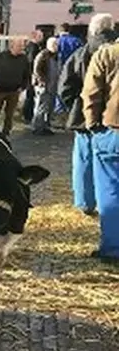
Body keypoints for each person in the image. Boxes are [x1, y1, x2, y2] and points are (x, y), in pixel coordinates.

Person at [59, 13, 115, 217]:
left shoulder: (81, 54)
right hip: (112, 118)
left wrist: (75, 107)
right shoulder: (115, 52)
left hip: (84, 115)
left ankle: (84, 202)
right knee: (109, 165)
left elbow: (65, 87)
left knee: (84, 160)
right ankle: (106, 203)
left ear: (92, 30)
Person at [80, 40, 119, 263]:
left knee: (111, 191)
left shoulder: (107, 54)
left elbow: (91, 93)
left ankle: (113, 249)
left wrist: (93, 125)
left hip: (113, 131)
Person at [0, 37, 30, 136]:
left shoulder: (24, 59)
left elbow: (27, 74)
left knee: (10, 113)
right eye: (19, 46)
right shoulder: (1, 56)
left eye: (22, 46)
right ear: (12, 46)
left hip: (15, 90)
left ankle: (6, 131)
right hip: (0, 89)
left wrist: (22, 87)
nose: (21, 48)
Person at [31, 37, 59, 136]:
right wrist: (41, 81)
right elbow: (36, 69)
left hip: (52, 84)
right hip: (43, 85)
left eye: (57, 44)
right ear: (49, 45)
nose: (56, 47)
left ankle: (46, 126)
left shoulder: (55, 56)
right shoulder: (43, 55)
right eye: (54, 45)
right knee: (41, 106)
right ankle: (37, 127)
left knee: (49, 107)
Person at [23, 29, 45, 124]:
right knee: (30, 95)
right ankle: (28, 116)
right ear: (36, 37)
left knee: (30, 95)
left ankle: (28, 115)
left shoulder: (30, 46)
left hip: (29, 74)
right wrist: (34, 74)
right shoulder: (34, 47)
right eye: (41, 36)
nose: (42, 38)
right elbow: (31, 61)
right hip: (31, 75)